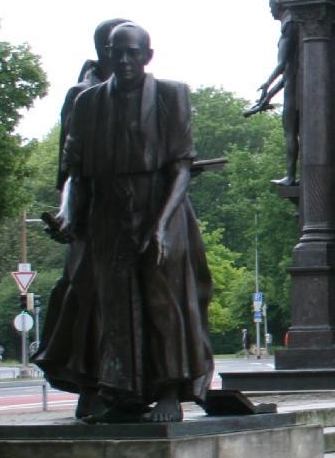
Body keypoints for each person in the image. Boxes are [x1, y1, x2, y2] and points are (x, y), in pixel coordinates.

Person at [38, 22, 217, 423]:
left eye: (132, 53)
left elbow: (181, 168)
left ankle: (171, 392)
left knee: (165, 299)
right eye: (116, 52)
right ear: (105, 54)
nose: (123, 60)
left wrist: (162, 226)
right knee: (110, 304)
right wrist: (71, 217)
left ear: (147, 56)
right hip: (107, 210)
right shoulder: (87, 102)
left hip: (160, 204)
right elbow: (76, 174)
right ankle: (119, 393)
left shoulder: (172, 94)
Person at [245, 0, 300, 187]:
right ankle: (293, 175)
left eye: (271, 6)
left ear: (280, 5)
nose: (270, 11)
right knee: (298, 134)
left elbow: (282, 65)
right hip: (298, 85)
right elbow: (289, 72)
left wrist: (266, 84)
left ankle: (291, 176)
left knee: (290, 133)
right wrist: (267, 98)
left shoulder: (288, 25)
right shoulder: (298, 24)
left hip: (294, 91)